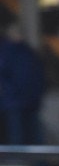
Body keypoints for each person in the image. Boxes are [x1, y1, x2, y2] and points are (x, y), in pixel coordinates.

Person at [0, 15, 45, 146]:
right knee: (17, 141)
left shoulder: (27, 51)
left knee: (35, 142)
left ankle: (38, 165)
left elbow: (37, 76)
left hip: (31, 103)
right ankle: (18, 163)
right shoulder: (5, 51)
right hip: (13, 105)